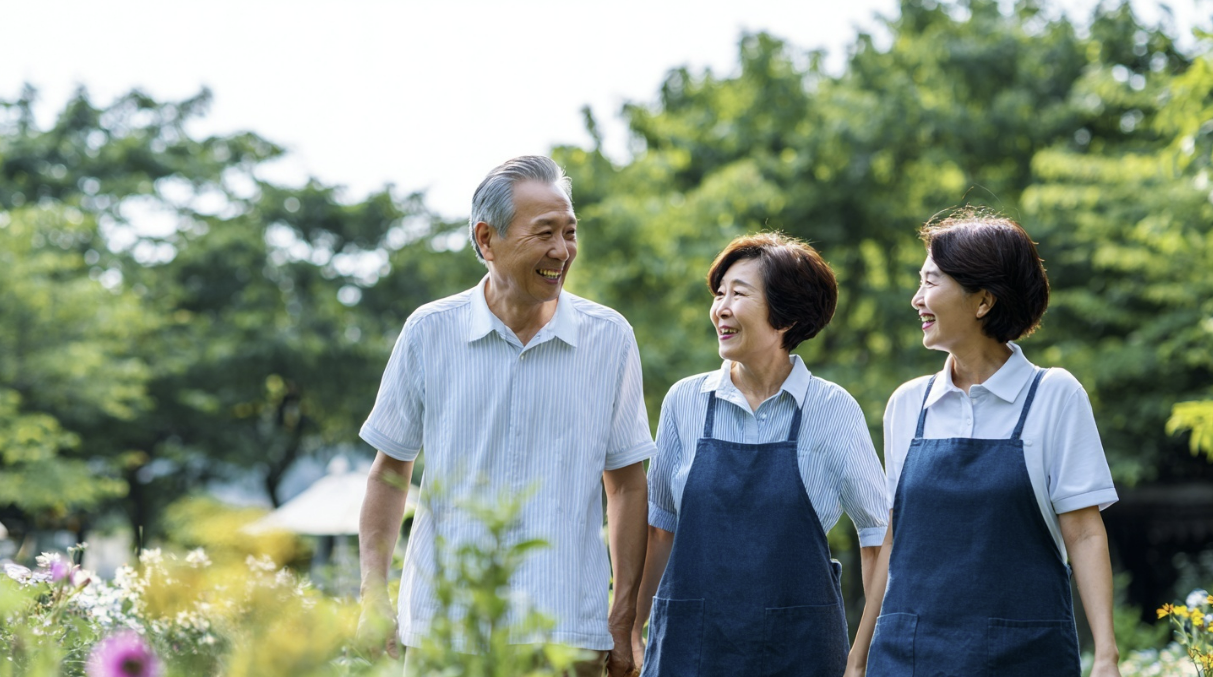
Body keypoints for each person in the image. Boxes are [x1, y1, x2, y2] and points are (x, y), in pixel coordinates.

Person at [357, 155, 655, 677]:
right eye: (544, 233)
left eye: (569, 232)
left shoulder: (610, 338)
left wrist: (624, 616)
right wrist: (373, 595)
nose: (561, 250)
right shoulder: (429, 331)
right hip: (447, 629)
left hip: (567, 630)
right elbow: (389, 474)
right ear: (486, 239)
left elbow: (628, 485)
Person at [856, 212, 1121, 676]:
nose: (917, 298)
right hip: (910, 657)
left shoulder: (1053, 395)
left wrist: (1106, 656)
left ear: (982, 301)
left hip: (1023, 656)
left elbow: (1083, 532)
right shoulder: (908, 405)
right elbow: (893, 539)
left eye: (931, 282)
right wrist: (857, 659)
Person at [633, 233, 889, 677]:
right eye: (719, 294)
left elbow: (879, 540)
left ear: (786, 316)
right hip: (688, 651)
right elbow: (659, 532)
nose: (721, 308)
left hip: (800, 654)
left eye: (739, 293)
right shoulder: (685, 401)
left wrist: (862, 659)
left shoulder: (832, 410)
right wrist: (631, 632)